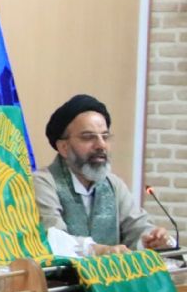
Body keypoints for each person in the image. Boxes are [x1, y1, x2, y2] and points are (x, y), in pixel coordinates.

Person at [32, 94, 170, 256]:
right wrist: (96, 250)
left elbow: (137, 226)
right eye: (88, 137)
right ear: (64, 147)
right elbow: (52, 236)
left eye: (105, 136)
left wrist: (151, 238)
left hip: (115, 273)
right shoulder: (43, 183)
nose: (101, 145)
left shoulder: (113, 184)